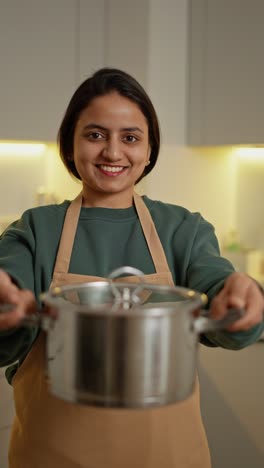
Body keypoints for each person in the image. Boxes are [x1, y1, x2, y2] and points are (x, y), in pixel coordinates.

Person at [0, 67, 263, 468]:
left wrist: (242, 296)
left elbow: (220, 291)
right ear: (70, 146)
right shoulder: (36, 230)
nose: (112, 152)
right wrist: (7, 307)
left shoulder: (183, 230)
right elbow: (8, 294)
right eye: (95, 134)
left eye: (130, 137)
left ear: (150, 150)